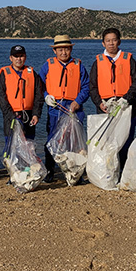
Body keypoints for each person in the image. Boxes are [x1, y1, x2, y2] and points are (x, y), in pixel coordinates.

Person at [89, 28, 136, 172]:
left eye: (114, 40)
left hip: (126, 106)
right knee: (107, 140)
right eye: (108, 41)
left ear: (119, 41)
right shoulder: (98, 62)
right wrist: (99, 103)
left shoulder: (128, 59)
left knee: (126, 140)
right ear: (103, 43)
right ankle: (109, 172)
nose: (111, 43)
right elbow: (92, 86)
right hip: (106, 106)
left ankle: (124, 171)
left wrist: (127, 98)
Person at [39, 35, 90, 183]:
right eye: (60, 49)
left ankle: (75, 173)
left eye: (66, 49)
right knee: (53, 140)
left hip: (74, 109)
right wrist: (46, 96)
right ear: (55, 51)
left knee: (74, 143)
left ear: (71, 49)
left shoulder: (78, 64)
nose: (63, 53)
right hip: (55, 109)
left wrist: (77, 101)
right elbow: (39, 85)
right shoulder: (48, 64)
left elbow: (86, 87)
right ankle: (50, 172)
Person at [0, 45, 44, 141]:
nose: (19, 59)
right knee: (11, 146)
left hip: (29, 116)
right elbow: (1, 96)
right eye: (16, 56)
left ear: (25, 57)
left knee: (28, 146)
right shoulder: (5, 73)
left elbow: (38, 95)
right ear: (11, 58)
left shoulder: (32, 74)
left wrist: (36, 114)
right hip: (11, 115)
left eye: (21, 56)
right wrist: (10, 115)